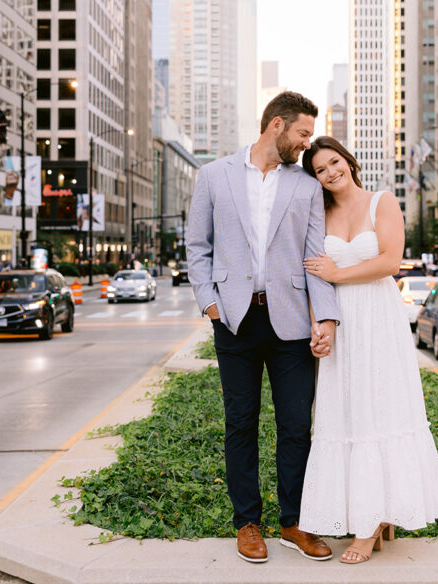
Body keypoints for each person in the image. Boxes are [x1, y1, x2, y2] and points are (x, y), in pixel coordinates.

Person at [187, 92, 340, 564]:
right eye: (302, 133)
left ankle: (293, 522)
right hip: (234, 320)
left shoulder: (307, 187)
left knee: (297, 425)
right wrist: (212, 306)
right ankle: (247, 523)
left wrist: (327, 318)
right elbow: (197, 246)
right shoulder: (214, 176)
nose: (306, 142)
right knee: (241, 423)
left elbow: (316, 258)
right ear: (277, 125)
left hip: (291, 322)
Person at [300, 137, 438, 564]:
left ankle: (368, 529)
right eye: (320, 170)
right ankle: (371, 516)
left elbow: (390, 262)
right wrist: (318, 323)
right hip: (341, 323)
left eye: (334, 162)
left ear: (348, 160)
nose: (331, 172)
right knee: (346, 413)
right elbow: (315, 275)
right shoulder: (319, 214)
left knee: (380, 411)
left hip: (379, 322)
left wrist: (338, 271)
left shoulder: (381, 202)